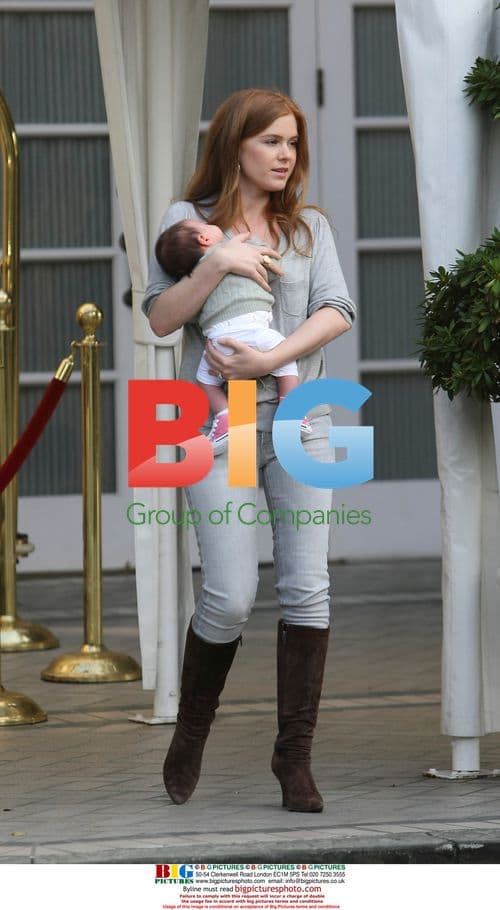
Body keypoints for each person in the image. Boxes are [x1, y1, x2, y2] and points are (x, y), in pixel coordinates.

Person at [143, 88, 356, 812]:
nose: (286, 154)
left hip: (306, 416)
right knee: (230, 596)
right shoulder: (187, 223)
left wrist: (273, 361)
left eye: (293, 142)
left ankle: (293, 760)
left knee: (308, 588)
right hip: (219, 425)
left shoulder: (309, 229)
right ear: (235, 144)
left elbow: (338, 310)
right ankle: (192, 730)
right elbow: (161, 320)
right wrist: (218, 263)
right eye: (271, 140)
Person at [155, 217, 312, 452]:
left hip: (218, 341)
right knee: (285, 356)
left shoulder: (195, 276)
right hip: (254, 329)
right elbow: (268, 269)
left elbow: (185, 312)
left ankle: (226, 417)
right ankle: (290, 409)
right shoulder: (237, 249)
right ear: (204, 238)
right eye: (204, 224)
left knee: (206, 380)